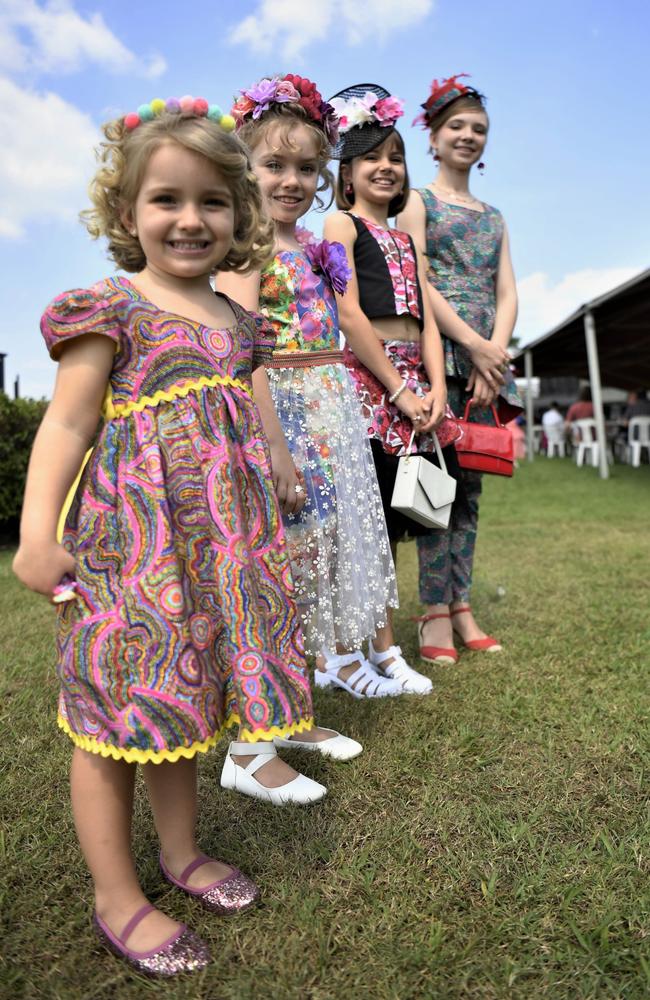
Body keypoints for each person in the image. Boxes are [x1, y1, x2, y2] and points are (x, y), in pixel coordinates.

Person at [12, 96, 328, 977]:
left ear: (241, 213)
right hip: (132, 558)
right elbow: (67, 429)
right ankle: (118, 895)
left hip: (218, 557)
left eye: (212, 202)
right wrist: (37, 535)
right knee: (116, 717)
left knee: (183, 706)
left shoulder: (237, 324)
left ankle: (181, 854)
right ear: (125, 214)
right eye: (165, 200)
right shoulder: (109, 308)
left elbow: (245, 424)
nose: (191, 220)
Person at [220, 74, 404, 701]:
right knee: (296, 534)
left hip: (329, 397)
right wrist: (273, 445)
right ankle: (313, 657)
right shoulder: (244, 251)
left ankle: (340, 650)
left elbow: (345, 322)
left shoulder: (312, 245)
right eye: (273, 164)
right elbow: (247, 352)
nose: (291, 180)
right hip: (285, 404)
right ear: (245, 167)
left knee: (332, 529)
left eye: (305, 167)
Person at [324, 82, 460, 691]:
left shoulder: (407, 238)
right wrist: (397, 391)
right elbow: (348, 315)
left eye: (396, 157)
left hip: (413, 379)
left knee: (401, 514)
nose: (386, 167)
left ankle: (382, 648)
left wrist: (433, 385)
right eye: (371, 157)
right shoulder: (340, 223)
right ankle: (348, 651)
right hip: (366, 379)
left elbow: (428, 319)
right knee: (362, 516)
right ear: (347, 173)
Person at [397, 74, 522, 661]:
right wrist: (473, 345)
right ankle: (433, 615)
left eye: (479, 129)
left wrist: (494, 354)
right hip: (439, 353)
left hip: (484, 362)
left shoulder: (494, 216)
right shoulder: (416, 202)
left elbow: (507, 290)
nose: (468, 136)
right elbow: (417, 282)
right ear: (433, 136)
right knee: (433, 485)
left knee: (471, 484)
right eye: (458, 127)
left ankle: (464, 606)